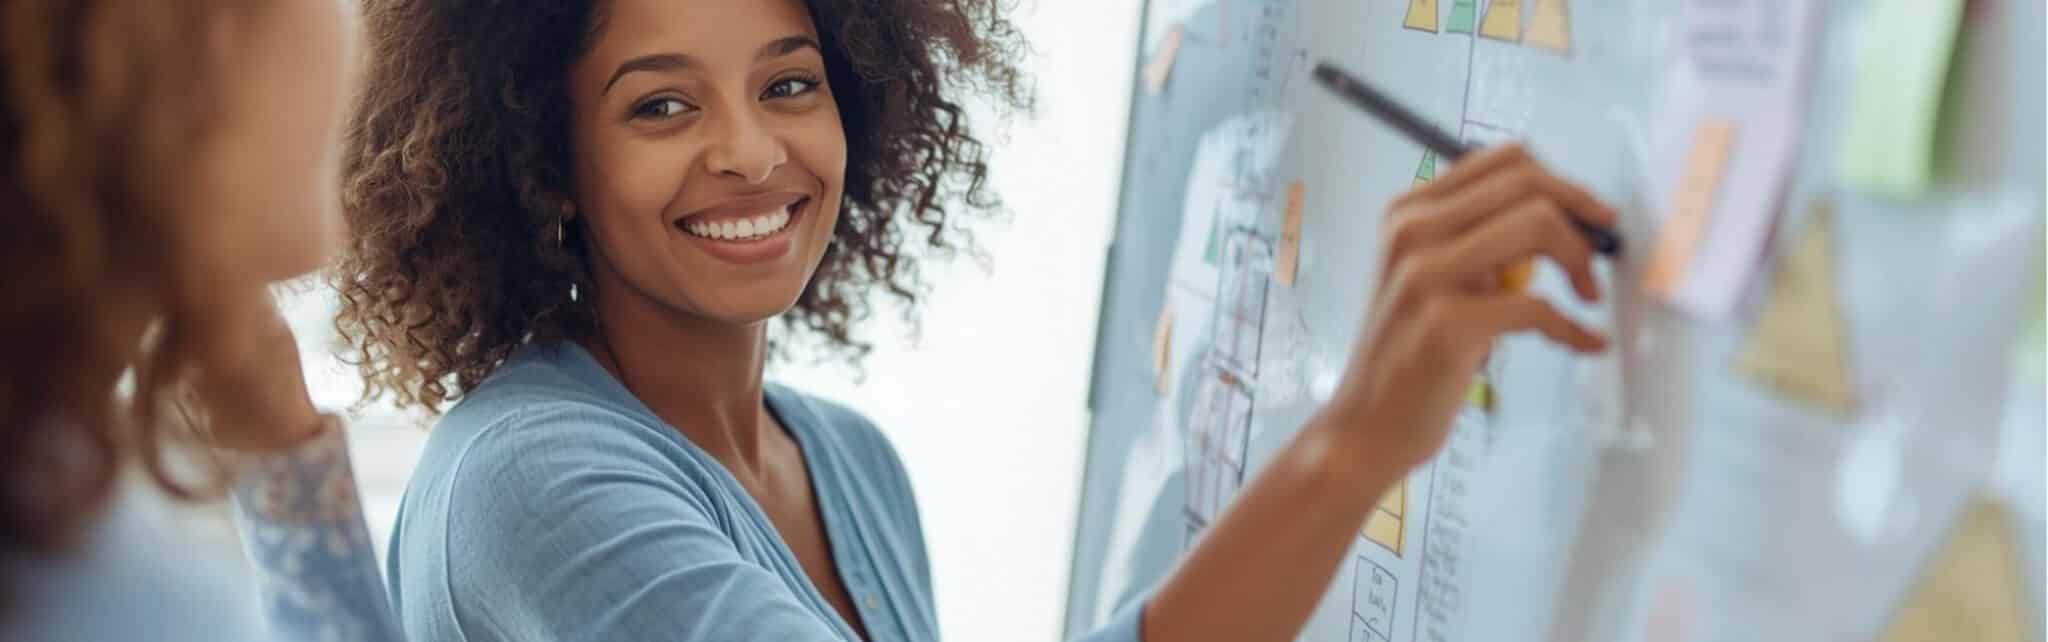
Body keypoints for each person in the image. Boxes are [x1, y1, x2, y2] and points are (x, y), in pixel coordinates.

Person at [337, 0, 1615, 640]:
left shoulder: (849, 463)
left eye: (789, 84)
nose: (749, 151)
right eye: (660, 107)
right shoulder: (527, 477)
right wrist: (1353, 439)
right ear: (546, 165)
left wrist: (1363, 443)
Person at [0, 2, 402, 640]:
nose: (365, 54)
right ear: (206, 35)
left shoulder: (52, 474)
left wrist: (287, 459)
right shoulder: (121, 581)